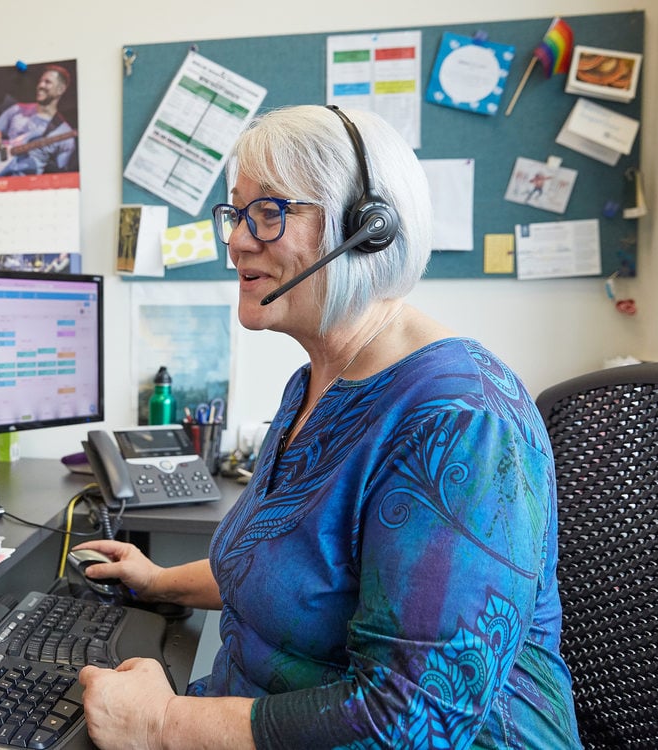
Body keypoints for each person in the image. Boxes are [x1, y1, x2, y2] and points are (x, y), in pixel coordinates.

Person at [74, 105, 581, 749]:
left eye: (269, 212)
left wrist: (161, 723)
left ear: (367, 228)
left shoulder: (460, 425)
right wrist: (155, 578)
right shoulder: (315, 383)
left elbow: (409, 722)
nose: (235, 241)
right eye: (236, 213)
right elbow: (292, 568)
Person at [0, 64, 77, 178]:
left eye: (47, 82)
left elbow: (62, 176)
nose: (40, 85)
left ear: (60, 89)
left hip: (27, 188)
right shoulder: (17, 109)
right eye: (40, 81)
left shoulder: (65, 134)